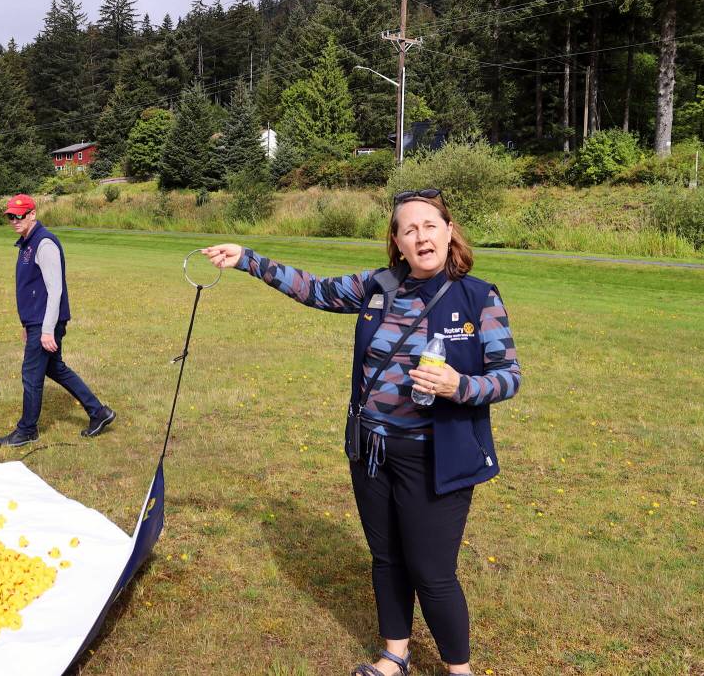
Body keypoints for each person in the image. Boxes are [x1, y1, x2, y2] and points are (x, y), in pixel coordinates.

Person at [202, 189, 520, 676]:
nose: (421, 236)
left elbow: (508, 376)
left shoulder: (479, 296)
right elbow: (314, 289)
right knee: (387, 558)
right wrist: (248, 260)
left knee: (432, 572)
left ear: (449, 231)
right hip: (371, 450)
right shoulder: (378, 286)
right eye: (408, 229)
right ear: (396, 241)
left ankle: (460, 670)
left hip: (435, 454)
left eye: (429, 226)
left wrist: (460, 385)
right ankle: (395, 654)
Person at [0, 194, 115, 447]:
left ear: (32, 214)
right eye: (10, 216)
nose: (14, 220)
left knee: (31, 374)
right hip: (36, 321)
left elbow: (55, 289)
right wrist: (27, 326)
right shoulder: (26, 242)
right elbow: (30, 288)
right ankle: (99, 412)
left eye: (20, 215)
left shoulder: (44, 243)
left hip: (46, 321)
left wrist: (46, 330)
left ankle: (27, 430)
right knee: (54, 368)